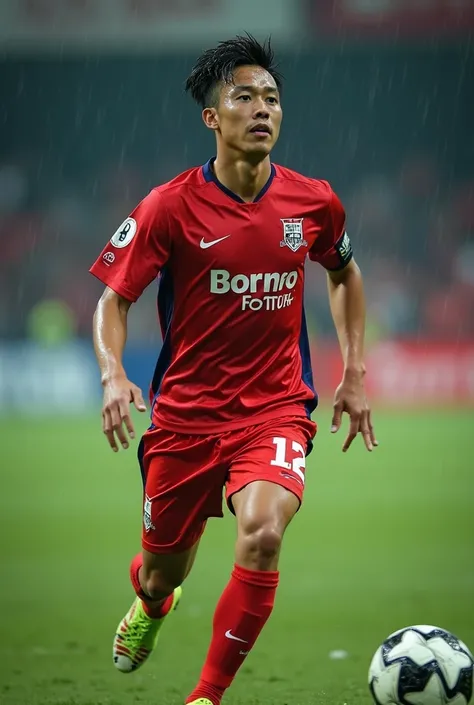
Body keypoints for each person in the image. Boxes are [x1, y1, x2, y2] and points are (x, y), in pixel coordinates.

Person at [90, 33, 377, 705]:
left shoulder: (313, 202)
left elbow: (344, 273)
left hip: (275, 408)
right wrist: (111, 374)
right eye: (244, 97)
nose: (262, 109)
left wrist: (355, 370)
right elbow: (113, 299)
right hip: (186, 418)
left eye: (271, 98)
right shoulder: (168, 206)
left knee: (264, 532)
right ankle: (153, 602)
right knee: (162, 569)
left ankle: (206, 696)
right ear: (212, 118)